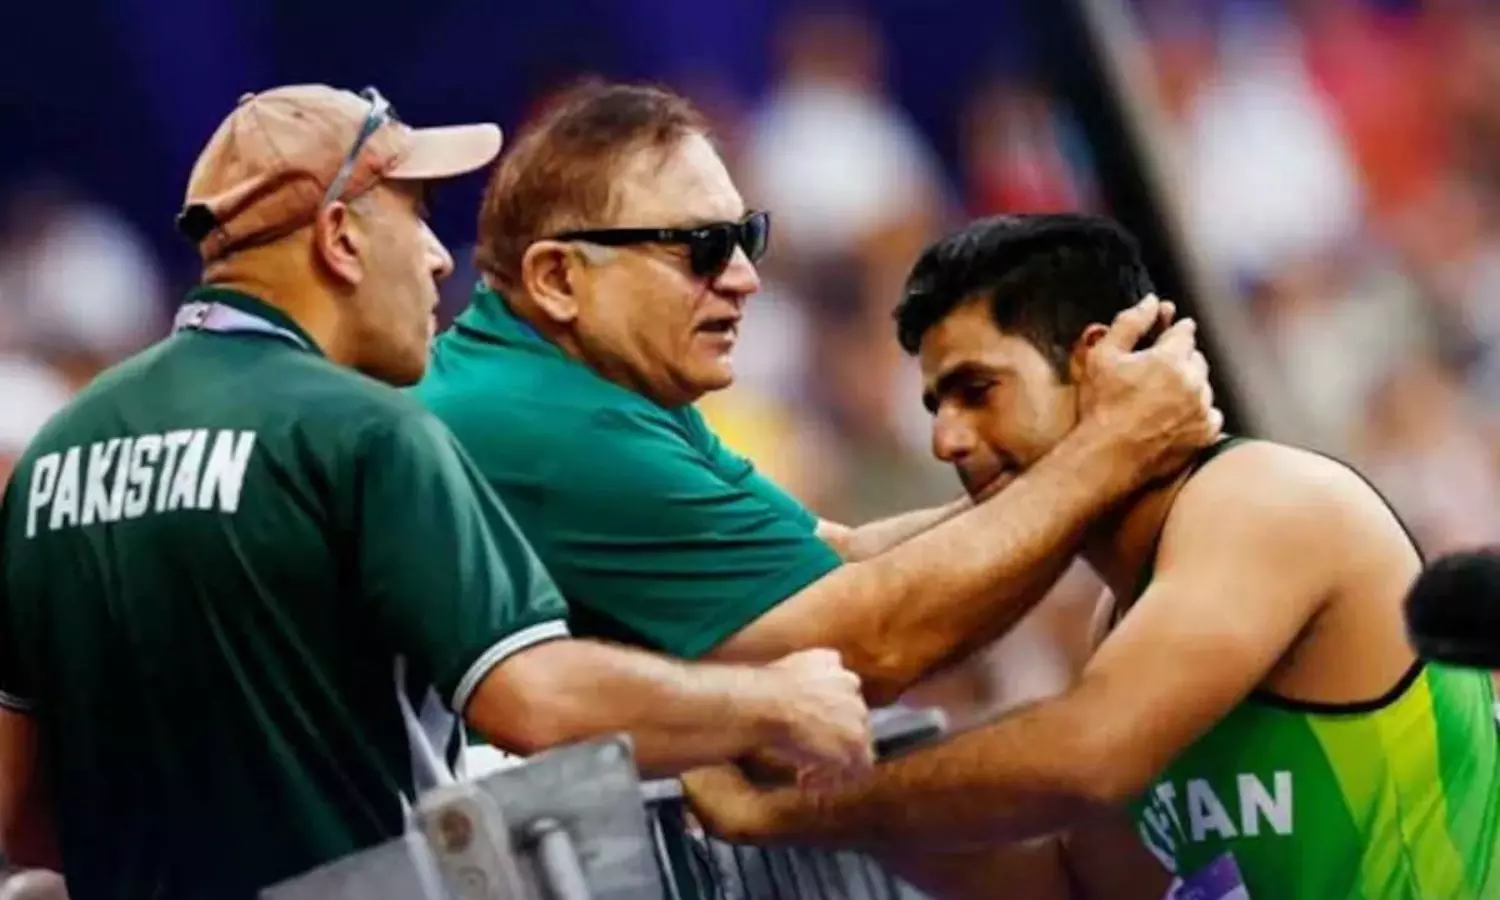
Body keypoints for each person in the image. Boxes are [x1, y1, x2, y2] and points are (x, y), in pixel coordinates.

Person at [0, 84, 875, 900]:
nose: (432, 259)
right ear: (340, 237)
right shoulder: (366, 427)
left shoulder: (57, 452)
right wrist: (772, 703)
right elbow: (536, 698)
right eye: (415, 215)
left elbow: (23, 811)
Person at [682, 214, 1500, 900]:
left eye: (977, 391)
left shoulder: (1262, 502)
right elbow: (1074, 881)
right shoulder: (1127, 613)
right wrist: (821, 791)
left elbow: (1087, 755)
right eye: (934, 406)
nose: (946, 440)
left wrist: (802, 813)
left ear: (1096, 361)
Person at [414, 81, 1222, 714]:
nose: (745, 278)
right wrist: (1109, 455)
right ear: (558, 279)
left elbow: (837, 556)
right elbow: (867, 643)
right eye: (702, 248)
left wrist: (1076, 447)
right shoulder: (547, 422)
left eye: (745, 238)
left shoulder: (584, 377)